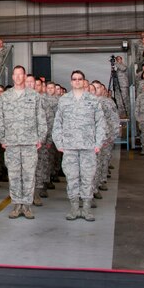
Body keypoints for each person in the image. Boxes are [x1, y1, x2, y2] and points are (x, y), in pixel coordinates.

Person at [52, 70, 106, 222]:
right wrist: (59, 142)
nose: (77, 81)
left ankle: (87, 209)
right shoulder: (64, 100)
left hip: (88, 146)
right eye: (74, 79)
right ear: (71, 82)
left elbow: (100, 123)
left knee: (88, 178)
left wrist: (98, 143)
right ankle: (75, 208)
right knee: (72, 178)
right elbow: (57, 123)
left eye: (79, 79)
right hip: (69, 147)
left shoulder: (93, 100)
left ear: (83, 81)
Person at [0, 66, 46, 219]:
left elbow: (41, 118)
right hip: (11, 143)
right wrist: (2, 139)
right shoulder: (5, 96)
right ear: (12, 77)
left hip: (30, 142)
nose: (17, 77)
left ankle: (27, 206)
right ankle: (17, 205)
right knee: (14, 175)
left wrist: (40, 138)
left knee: (29, 175)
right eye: (15, 74)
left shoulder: (34, 96)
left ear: (24, 76)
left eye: (20, 74)